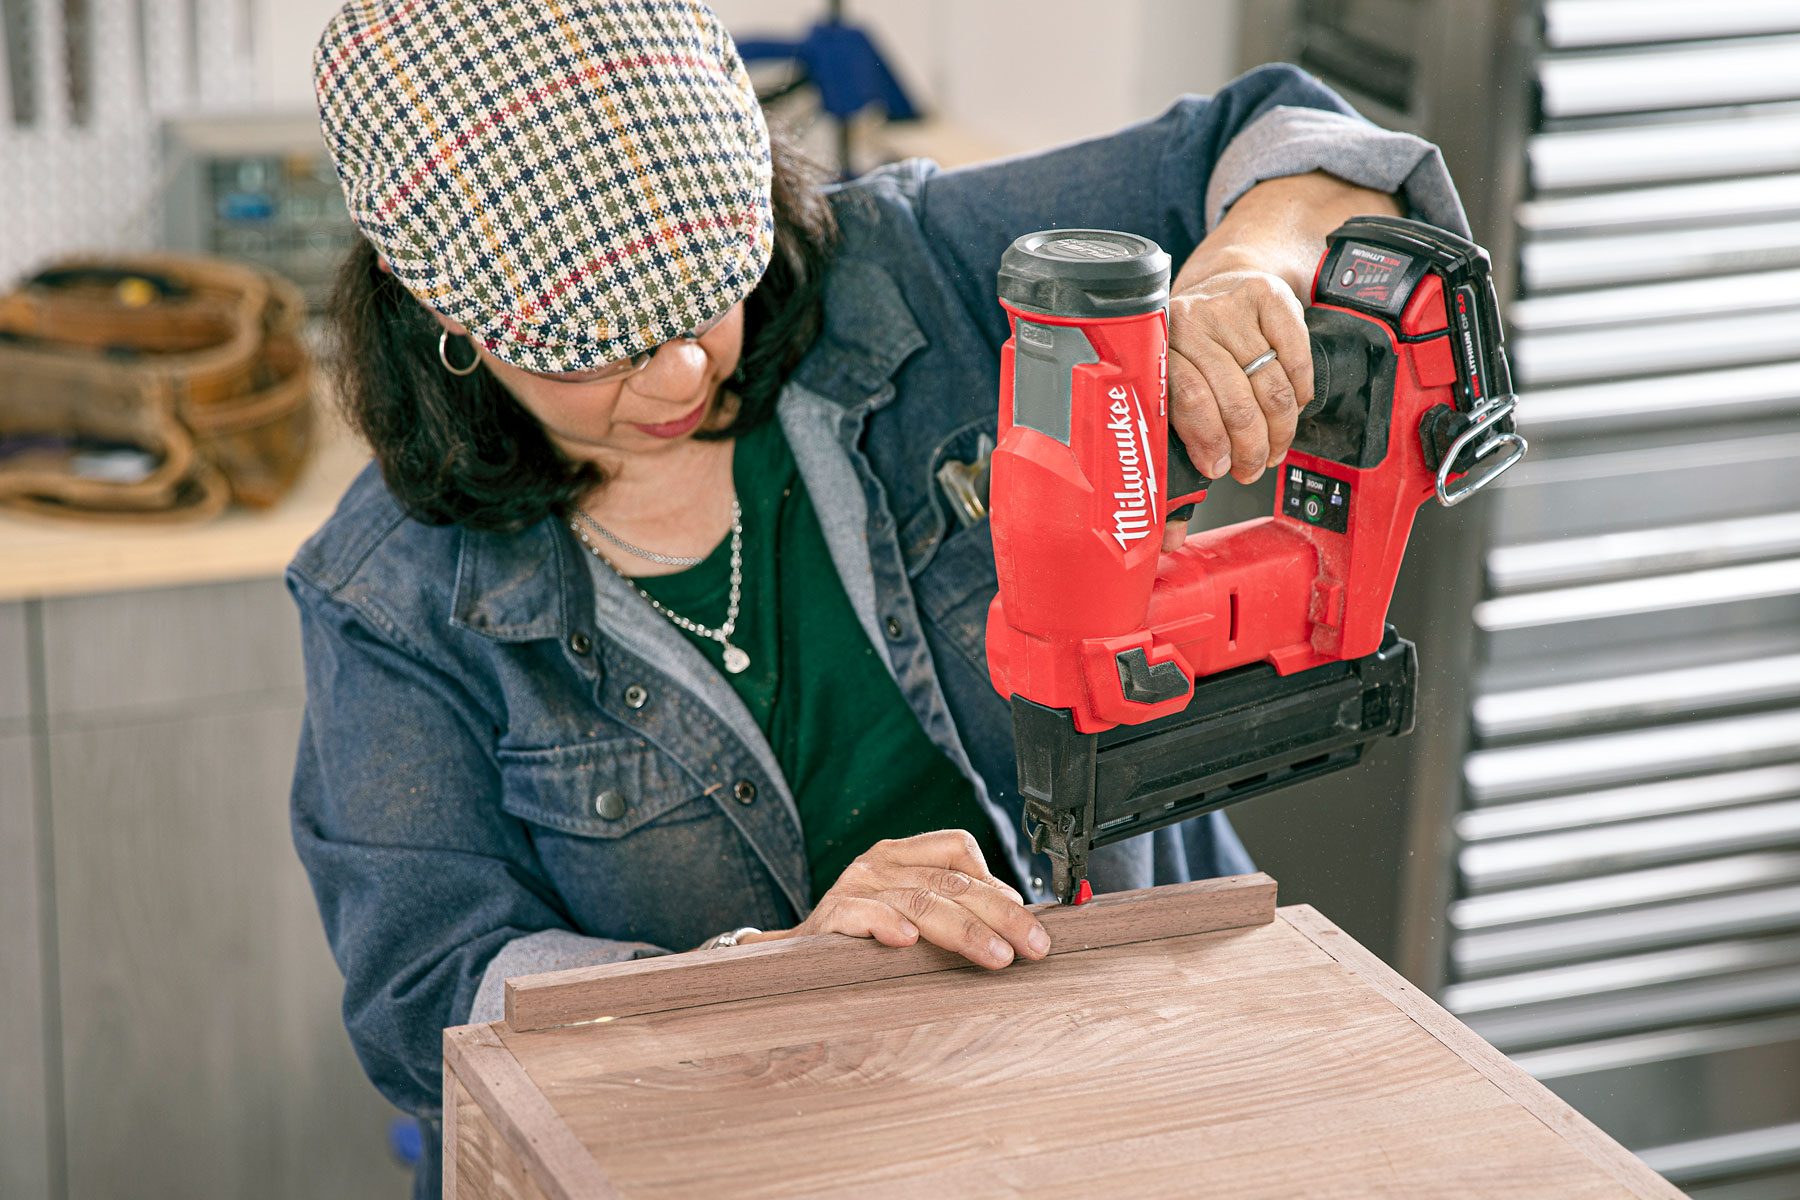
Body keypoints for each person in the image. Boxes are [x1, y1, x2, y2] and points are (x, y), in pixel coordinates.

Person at [293, 1, 1468, 1192]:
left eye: (707, 290)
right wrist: (767, 978)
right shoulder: (388, 592)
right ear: (442, 308)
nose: (687, 369)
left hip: (1112, 1103)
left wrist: (1251, 264)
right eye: (598, 347)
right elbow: (428, 998)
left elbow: (1287, 136)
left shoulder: (910, 270)